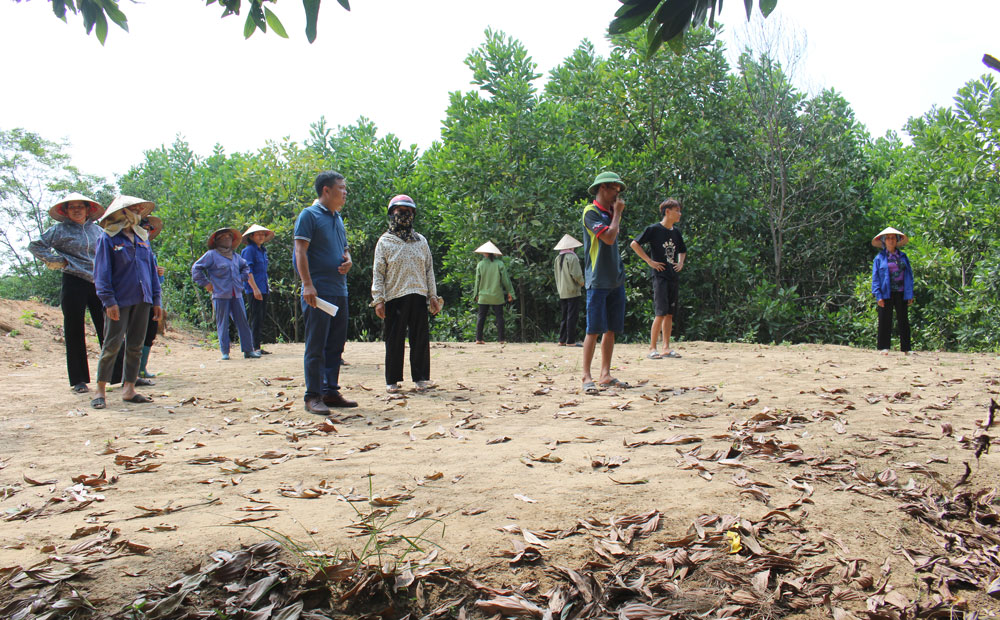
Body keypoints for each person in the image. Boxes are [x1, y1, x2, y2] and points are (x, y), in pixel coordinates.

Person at [28, 193, 112, 393]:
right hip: (73, 280)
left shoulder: (98, 231)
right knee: (74, 329)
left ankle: (116, 374)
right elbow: (35, 245)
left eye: (80, 207)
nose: (76, 210)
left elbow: (109, 255)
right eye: (71, 207)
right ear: (65, 211)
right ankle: (79, 380)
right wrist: (55, 260)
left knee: (107, 327)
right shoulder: (58, 230)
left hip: (98, 281)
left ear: (87, 209)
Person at [294, 171, 358, 414]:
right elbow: (300, 251)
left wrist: (348, 259)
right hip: (317, 292)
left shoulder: (337, 218)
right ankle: (313, 395)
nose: (344, 193)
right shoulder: (309, 215)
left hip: (339, 290)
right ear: (326, 191)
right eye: (341, 188)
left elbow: (344, 247)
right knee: (316, 345)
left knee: (335, 344)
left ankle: (330, 391)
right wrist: (307, 284)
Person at [90, 195, 162, 409]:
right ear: (122, 212)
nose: (139, 212)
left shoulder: (142, 238)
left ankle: (129, 388)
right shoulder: (108, 238)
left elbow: (151, 271)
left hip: (143, 299)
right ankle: (100, 391)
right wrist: (108, 301)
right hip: (119, 301)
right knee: (112, 344)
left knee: (135, 345)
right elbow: (101, 273)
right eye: (134, 209)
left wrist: (156, 299)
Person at [370, 195, 444, 393]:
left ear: (414, 215)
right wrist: (378, 299)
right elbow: (378, 272)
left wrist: (433, 297)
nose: (404, 215)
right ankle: (392, 381)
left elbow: (429, 270)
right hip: (395, 296)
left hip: (419, 295)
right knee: (394, 339)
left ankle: (421, 378)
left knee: (420, 338)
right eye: (399, 211)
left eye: (408, 212)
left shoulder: (421, 241)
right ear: (391, 213)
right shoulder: (384, 242)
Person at [581, 172, 629, 395]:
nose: (616, 196)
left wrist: (615, 214)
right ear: (602, 189)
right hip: (598, 279)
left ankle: (605, 374)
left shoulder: (610, 213)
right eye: (614, 190)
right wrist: (617, 215)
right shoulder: (591, 213)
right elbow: (608, 238)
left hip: (615, 279)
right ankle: (586, 376)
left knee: (611, 329)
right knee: (593, 330)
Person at [191, 228, 263, 361]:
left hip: (237, 294)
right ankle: (225, 352)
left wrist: (241, 277)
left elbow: (246, 267)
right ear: (217, 241)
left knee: (243, 322)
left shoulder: (235, 256)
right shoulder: (211, 255)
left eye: (229, 237)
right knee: (223, 323)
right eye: (223, 237)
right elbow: (196, 268)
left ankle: (248, 350)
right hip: (220, 294)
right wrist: (206, 284)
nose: (226, 239)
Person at [630, 198, 687, 359]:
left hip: (672, 276)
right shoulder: (654, 229)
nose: (679, 214)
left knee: (669, 313)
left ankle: (666, 347)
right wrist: (649, 261)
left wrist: (681, 263)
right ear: (667, 212)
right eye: (677, 211)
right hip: (660, 276)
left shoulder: (676, 232)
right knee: (660, 312)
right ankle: (652, 348)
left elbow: (682, 250)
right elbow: (634, 244)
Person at [871, 226, 914, 355]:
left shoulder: (903, 256)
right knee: (885, 320)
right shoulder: (879, 258)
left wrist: (910, 293)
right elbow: (876, 278)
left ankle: (906, 348)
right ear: (884, 240)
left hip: (901, 291)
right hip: (886, 292)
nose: (890, 240)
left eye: (893, 238)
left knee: (903, 320)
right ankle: (883, 347)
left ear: (897, 240)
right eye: (888, 238)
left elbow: (909, 275)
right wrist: (878, 295)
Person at [137, 216, 164, 383]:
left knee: (150, 331)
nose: (146, 232)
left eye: (148, 230)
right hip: (132, 297)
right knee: (131, 335)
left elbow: (155, 281)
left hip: (149, 297)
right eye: (143, 229)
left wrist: (159, 275)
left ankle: (141, 368)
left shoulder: (149, 252)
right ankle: (128, 371)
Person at [472, 241, 515, 344]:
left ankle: (479, 339)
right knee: (499, 317)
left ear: (485, 253)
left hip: (483, 295)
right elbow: (505, 280)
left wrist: (475, 294)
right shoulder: (499, 264)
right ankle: (501, 339)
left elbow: (477, 281)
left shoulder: (480, 264)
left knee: (481, 317)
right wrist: (510, 292)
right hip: (497, 295)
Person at [241, 224, 274, 355]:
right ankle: (253, 347)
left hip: (263, 288)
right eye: (258, 234)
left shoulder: (262, 251)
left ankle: (257, 346)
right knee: (255, 317)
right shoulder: (249, 250)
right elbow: (248, 271)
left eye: (263, 234)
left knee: (260, 317)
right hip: (254, 289)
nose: (261, 236)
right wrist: (255, 288)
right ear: (251, 236)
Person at [553, 234, 585, 347]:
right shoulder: (572, 257)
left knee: (564, 315)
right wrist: (582, 283)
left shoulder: (558, 258)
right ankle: (570, 341)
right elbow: (576, 274)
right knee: (572, 316)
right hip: (572, 290)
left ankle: (562, 340)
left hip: (562, 291)